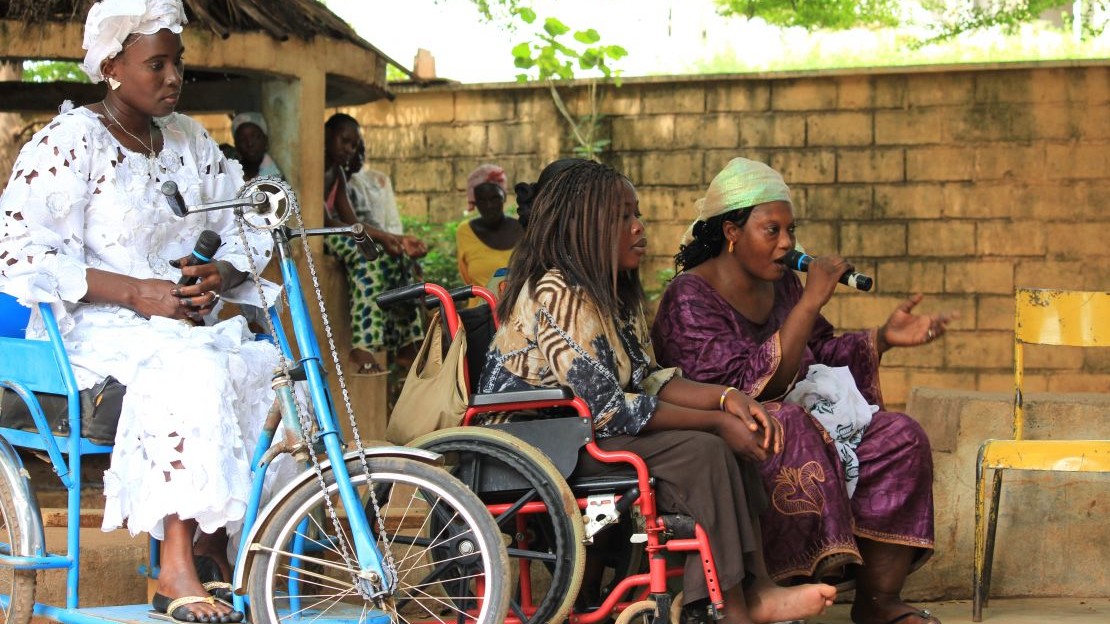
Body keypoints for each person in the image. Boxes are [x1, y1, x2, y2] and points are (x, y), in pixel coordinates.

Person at [0, 1, 291, 622]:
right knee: (190, 370)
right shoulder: (69, 143)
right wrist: (138, 292)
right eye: (154, 64)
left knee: (271, 371)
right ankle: (174, 569)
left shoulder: (189, 140)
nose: (172, 78)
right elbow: (22, 255)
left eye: (177, 63)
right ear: (111, 65)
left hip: (183, 323)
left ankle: (220, 547)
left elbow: (241, 221)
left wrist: (223, 274)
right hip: (93, 331)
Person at [477, 160, 836, 624]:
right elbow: (607, 408)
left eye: (636, 213)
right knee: (703, 450)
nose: (639, 227)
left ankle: (753, 588)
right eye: (623, 217)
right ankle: (728, 606)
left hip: (579, 431)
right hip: (536, 440)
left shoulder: (611, 295)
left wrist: (727, 399)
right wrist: (714, 420)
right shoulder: (558, 292)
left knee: (727, 441)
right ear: (584, 226)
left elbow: (649, 378)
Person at [651, 157, 955, 624]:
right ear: (732, 232)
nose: (788, 243)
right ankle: (783, 587)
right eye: (771, 230)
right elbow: (748, 385)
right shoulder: (689, 297)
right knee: (786, 424)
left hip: (813, 426)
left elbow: (820, 352)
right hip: (729, 439)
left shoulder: (787, 286)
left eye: (790, 230)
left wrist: (882, 339)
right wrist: (812, 298)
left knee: (901, 436)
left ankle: (879, 601)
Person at [322, 113, 425, 373]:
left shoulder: (338, 175)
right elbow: (326, 223)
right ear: (326, 136)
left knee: (397, 257)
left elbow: (352, 221)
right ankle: (361, 347)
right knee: (365, 257)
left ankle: (404, 343)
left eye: (354, 145)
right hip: (317, 235)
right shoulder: (315, 170)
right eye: (345, 141)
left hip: (338, 231)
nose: (350, 149)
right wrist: (382, 238)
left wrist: (396, 241)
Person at [455, 163, 522, 291]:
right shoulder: (465, 232)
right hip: (478, 309)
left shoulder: (524, 229)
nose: (489, 205)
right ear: (475, 202)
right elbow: (467, 280)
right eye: (481, 200)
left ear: (504, 197)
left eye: (495, 198)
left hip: (518, 309)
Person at [231, 111, 282, 181]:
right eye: (242, 139)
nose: (250, 144)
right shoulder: (231, 174)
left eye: (256, 137)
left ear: (265, 140)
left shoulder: (275, 176)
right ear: (236, 145)